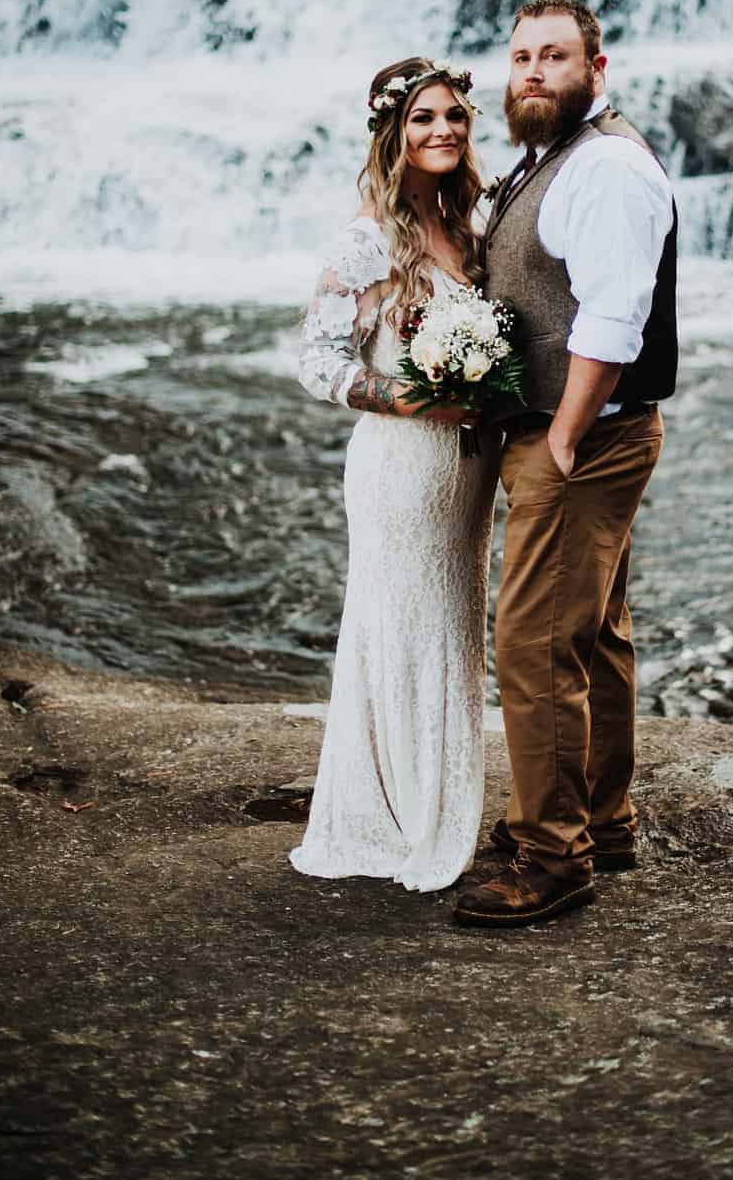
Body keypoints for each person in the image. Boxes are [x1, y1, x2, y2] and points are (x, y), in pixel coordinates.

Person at [454, 0, 679, 929]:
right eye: (521, 57)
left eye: (554, 55)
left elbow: (613, 317)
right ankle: (603, 817)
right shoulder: (553, 155)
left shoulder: (610, 167)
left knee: (535, 642)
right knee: (594, 633)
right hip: (582, 434)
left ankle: (554, 857)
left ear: (598, 66)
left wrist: (561, 437)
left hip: (580, 437)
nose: (534, 72)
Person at [289, 58, 500, 894]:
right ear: (392, 133)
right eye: (422, 119)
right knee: (399, 627)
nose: (442, 130)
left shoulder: (471, 227)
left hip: (467, 477)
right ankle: (401, 814)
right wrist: (409, 398)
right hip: (401, 468)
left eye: (453, 116)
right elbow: (316, 359)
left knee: (451, 628)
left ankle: (437, 800)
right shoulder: (368, 235)